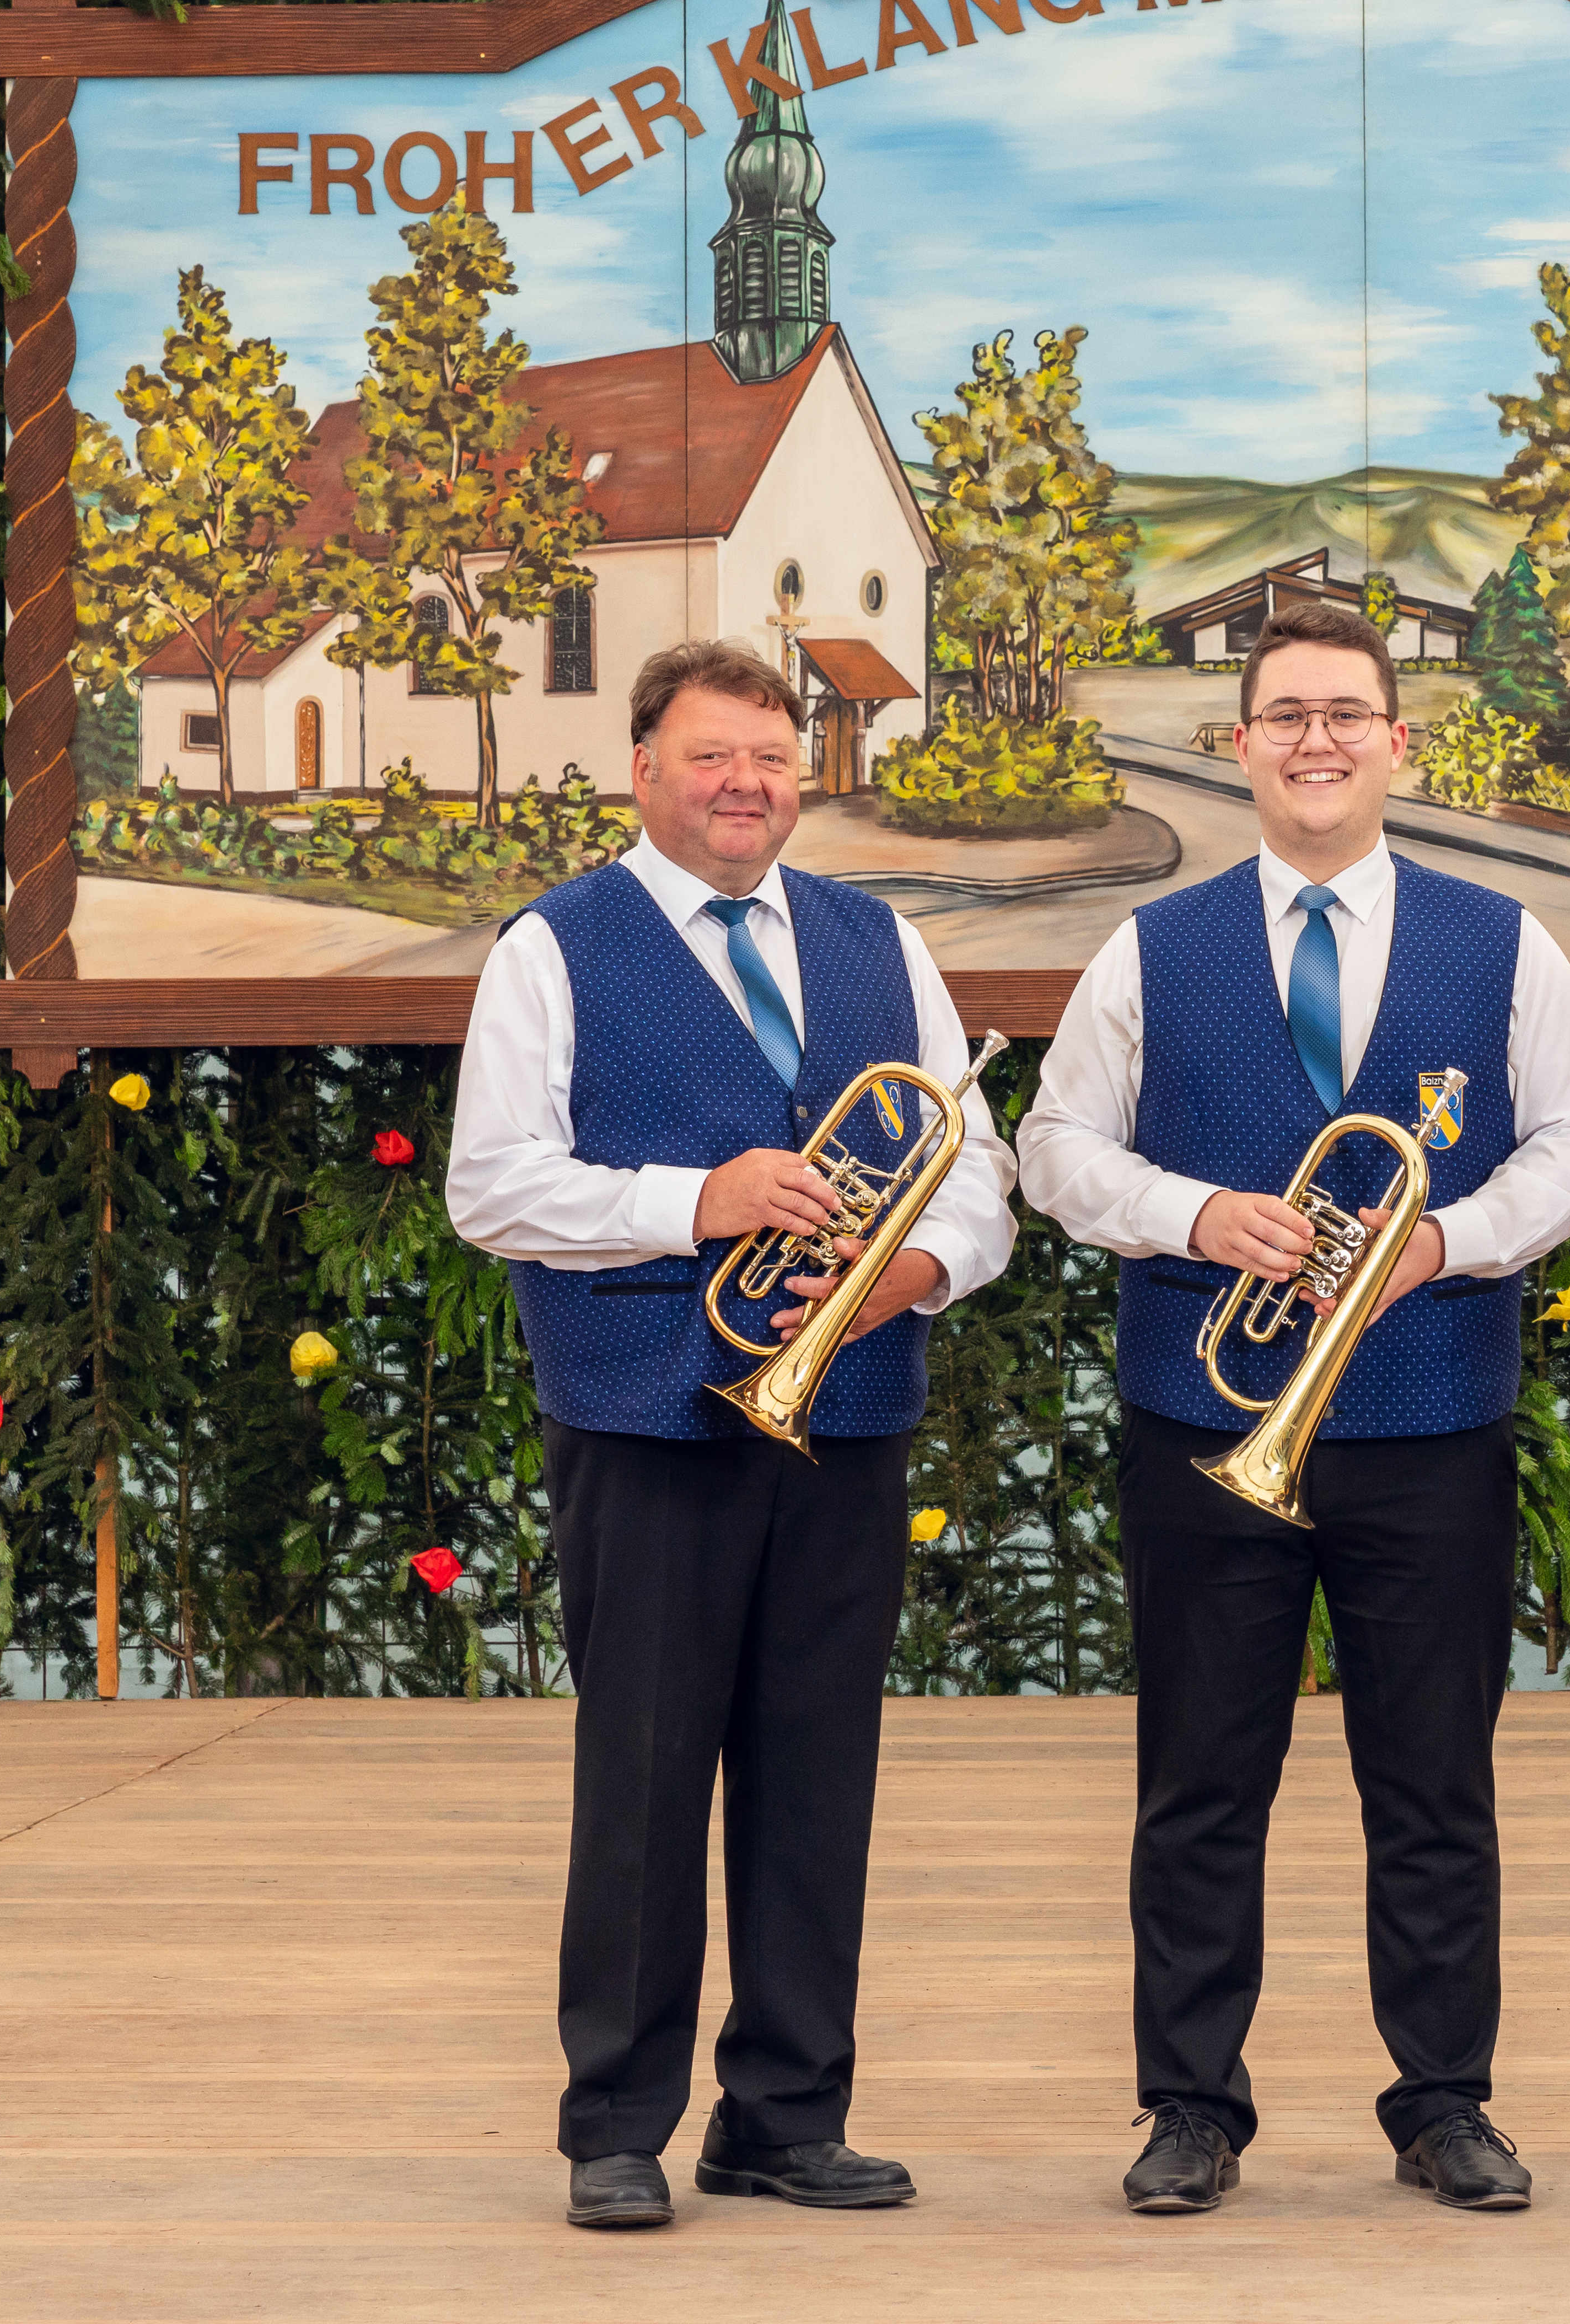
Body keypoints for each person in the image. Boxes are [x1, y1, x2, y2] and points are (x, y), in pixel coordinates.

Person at [1018, 598, 1570, 2218]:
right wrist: (1193, 1215)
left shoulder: (1504, 940)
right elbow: (1054, 1147)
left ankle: (1444, 2102)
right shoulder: (1151, 946)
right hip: (1205, 1422)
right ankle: (1190, 2106)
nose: (1317, 740)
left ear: (1398, 741)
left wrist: (1451, 1241)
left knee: (1433, 1785)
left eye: (1347, 712)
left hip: (1428, 1425)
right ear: (1239, 745)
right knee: (1199, 1783)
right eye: (1286, 714)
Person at [447, 639, 1016, 2232]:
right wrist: (695, 1200)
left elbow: (977, 1171)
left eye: (770, 758)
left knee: (817, 1776)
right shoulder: (553, 947)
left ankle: (784, 2115)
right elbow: (490, 1184)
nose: (745, 784)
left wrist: (908, 1273)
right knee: (642, 1777)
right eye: (711, 757)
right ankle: (616, 2124)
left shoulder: (881, 940)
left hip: (846, 1415)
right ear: (644, 770)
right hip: (646, 1419)